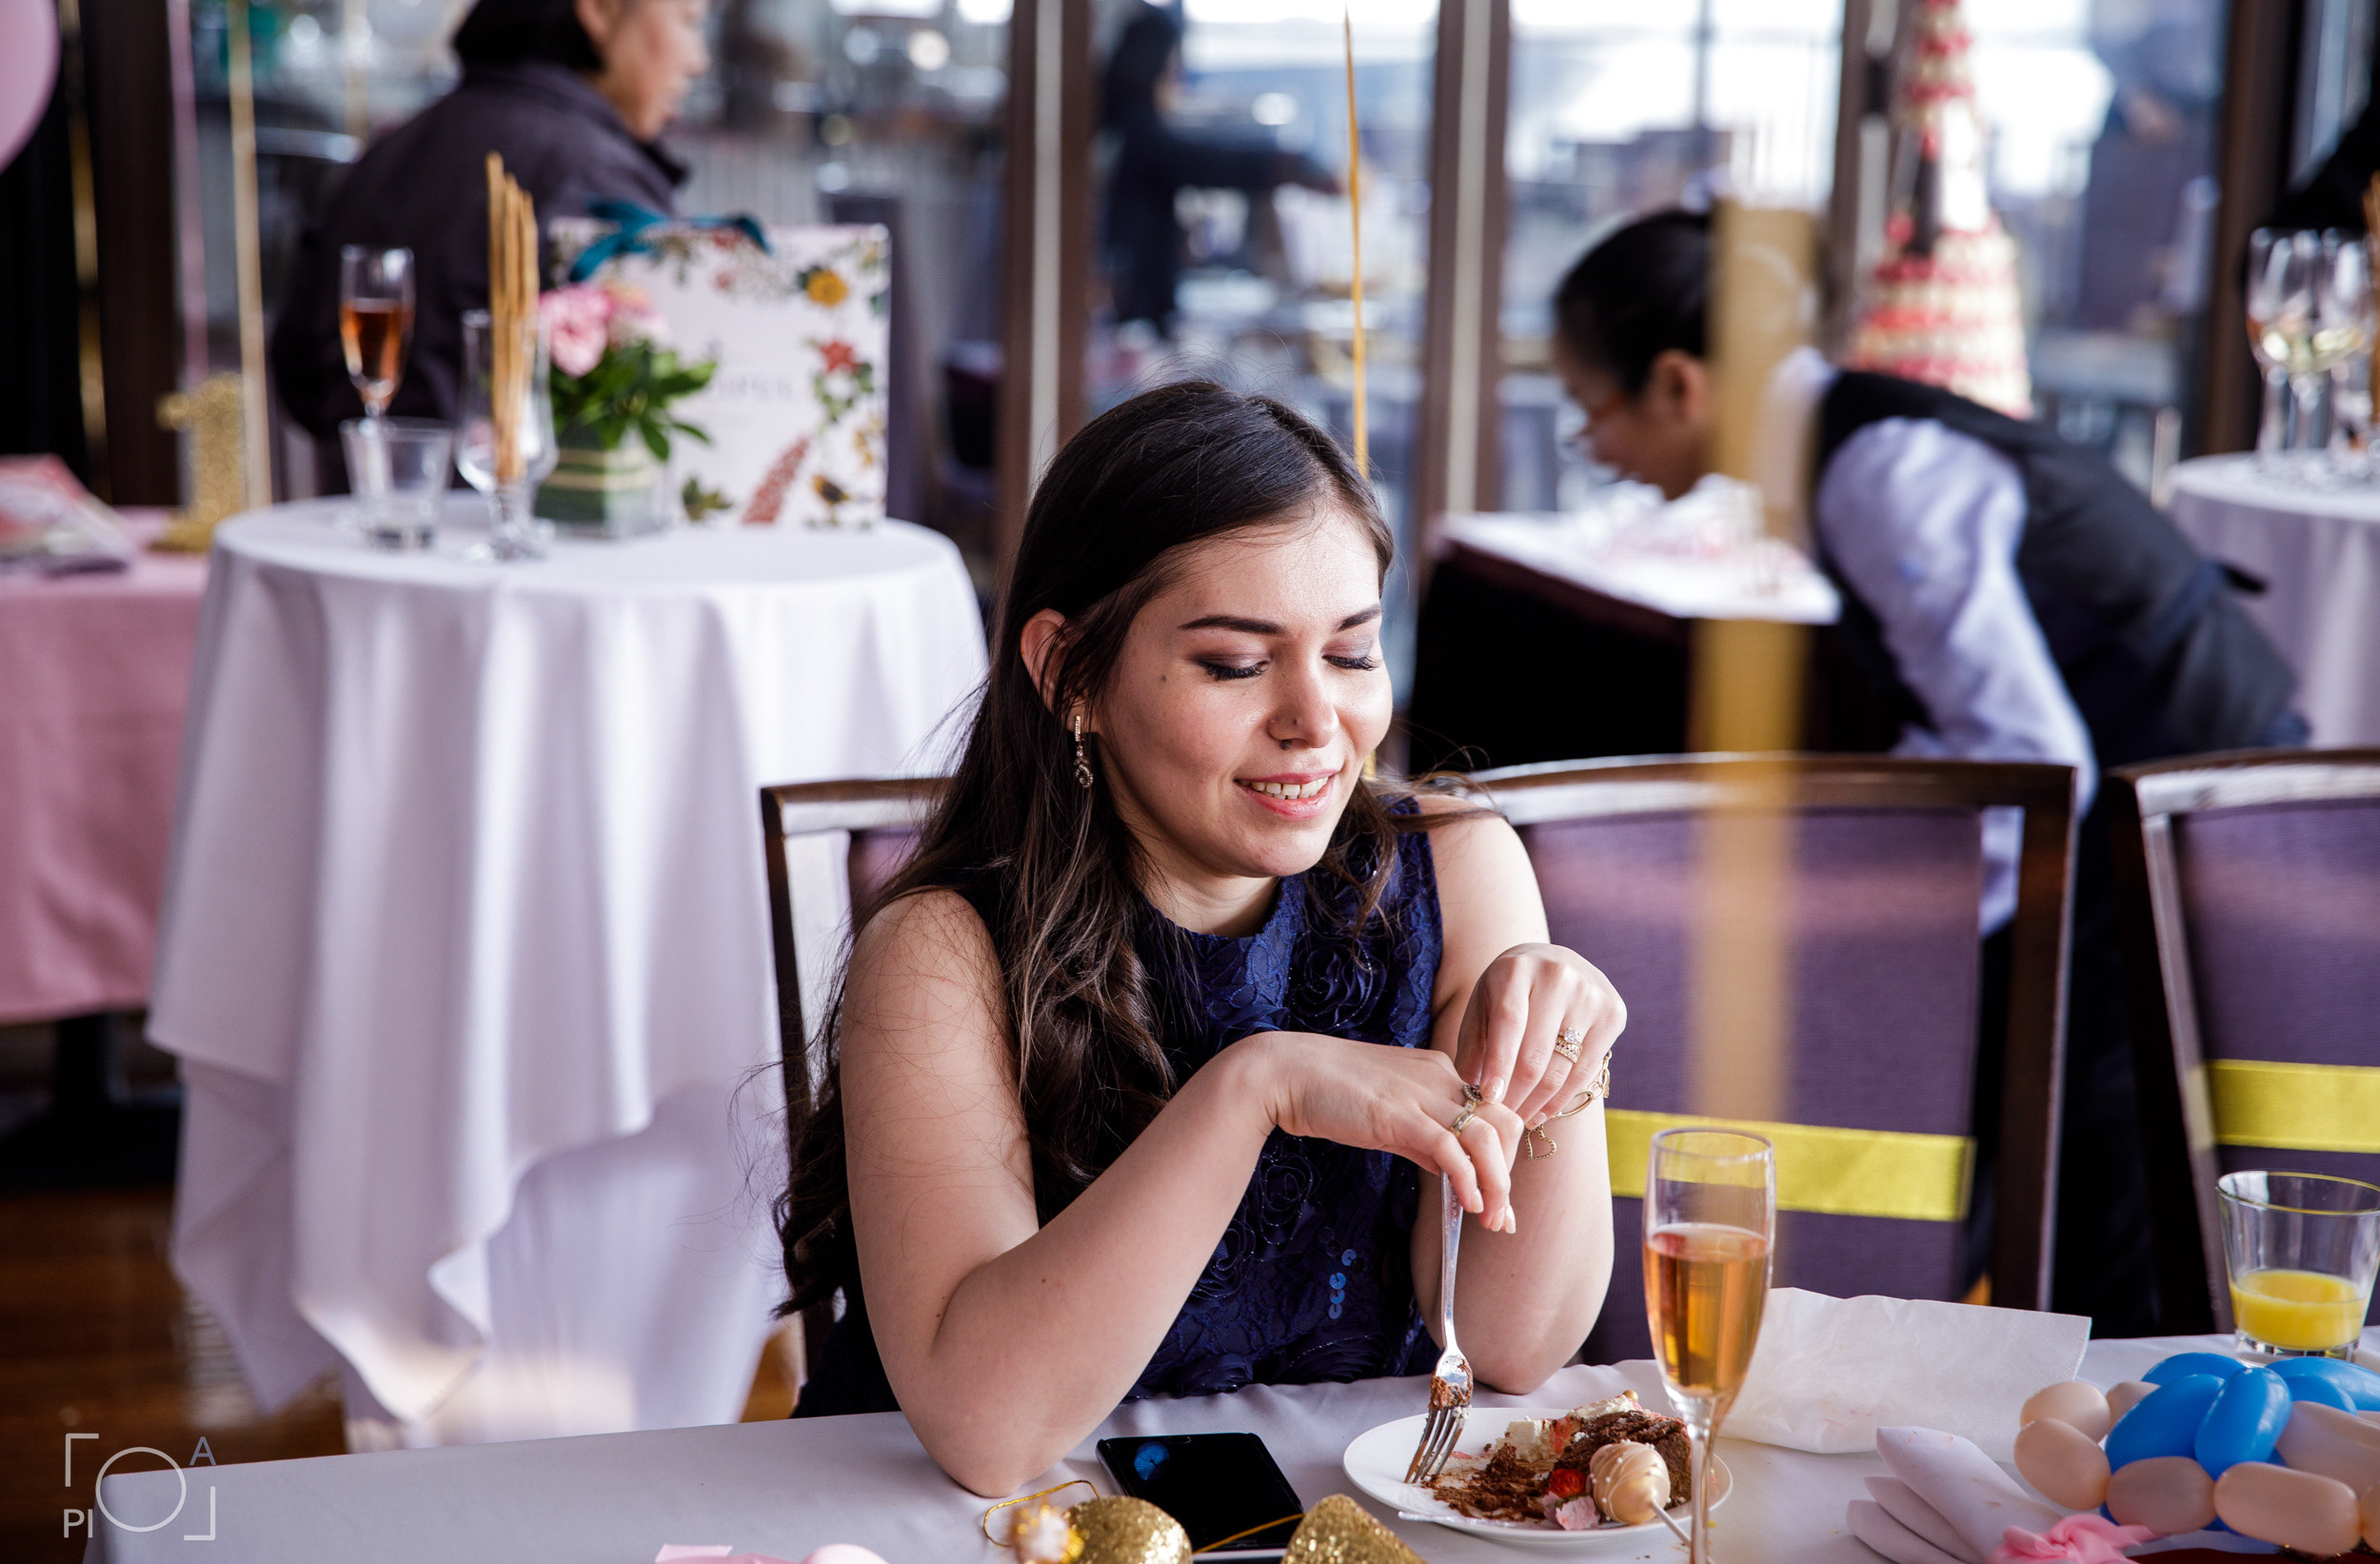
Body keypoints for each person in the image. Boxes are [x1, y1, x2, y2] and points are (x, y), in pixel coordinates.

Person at [777, 381, 1622, 1495]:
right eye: (1235, 663)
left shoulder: (1455, 871)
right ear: (1067, 670)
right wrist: (1252, 1086)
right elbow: (988, 1430)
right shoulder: (947, 949)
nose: (1317, 722)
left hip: (1328, 1527)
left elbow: (1517, 1344)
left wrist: (1560, 1069)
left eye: (1353, 653)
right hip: (964, 1533)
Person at [1546, 209, 2303, 1336]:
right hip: (2137, 818)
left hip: (2173, 842)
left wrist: (1887, 929)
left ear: (1676, 382)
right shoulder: (1854, 447)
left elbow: (2027, 759)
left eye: (1589, 411)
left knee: (2110, 1205)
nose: (1595, 446)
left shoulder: (1881, 468)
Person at [268, 0, 707, 467]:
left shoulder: (386, 156)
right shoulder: (598, 178)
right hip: (536, 523)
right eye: (688, 21)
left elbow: (300, 379)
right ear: (600, 11)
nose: (697, 60)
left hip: (367, 513)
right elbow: (664, 417)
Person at [1101, 5, 1339, 335]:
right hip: (1130, 320)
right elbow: (1213, 162)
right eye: (1172, 66)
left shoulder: (1122, 128)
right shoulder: (1138, 133)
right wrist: (1293, 166)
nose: (1178, 79)